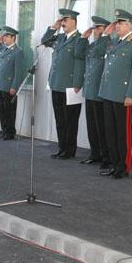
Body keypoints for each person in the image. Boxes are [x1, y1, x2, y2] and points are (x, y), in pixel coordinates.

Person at [98, 9, 132, 179]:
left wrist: (131, 95)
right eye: (116, 23)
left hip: (122, 96)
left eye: (120, 23)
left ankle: (123, 167)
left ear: (128, 25)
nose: (117, 26)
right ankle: (114, 164)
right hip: (107, 93)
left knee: (122, 133)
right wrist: (106, 34)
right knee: (110, 132)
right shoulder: (113, 42)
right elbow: (99, 52)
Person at [42, 9, 87, 159]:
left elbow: (80, 63)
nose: (63, 23)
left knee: (70, 120)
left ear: (74, 21)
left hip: (71, 86)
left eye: (65, 20)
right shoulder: (59, 38)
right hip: (56, 84)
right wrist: (53, 28)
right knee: (60, 119)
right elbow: (44, 41)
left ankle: (70, 150)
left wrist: (77, 84)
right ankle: (62, 148)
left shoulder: (80, 39)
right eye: (62, 20)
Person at [79, 16, 111, 168]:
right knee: (91, 125)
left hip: (100, 91)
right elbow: (79, 54)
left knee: (101, 126)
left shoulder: (108, 43)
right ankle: (95, 153)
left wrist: (104, 36)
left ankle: (106, 157)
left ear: (106, 29)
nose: (96, 30)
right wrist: (83, 38)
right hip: (90, 90)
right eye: (95, 28)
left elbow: (99, 52)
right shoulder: (93, 44)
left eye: (99, 28)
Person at [0, 26, 24, 140]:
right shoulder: (2, 49)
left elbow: (18, 72)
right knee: (1, 109)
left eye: (7, 36)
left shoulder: (17, 52)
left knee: (9, 110)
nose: (4, 38)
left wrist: (14, 86)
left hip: (8, 86)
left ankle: (10, 132)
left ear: (13, 38)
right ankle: (4, 130)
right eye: (4, 36)